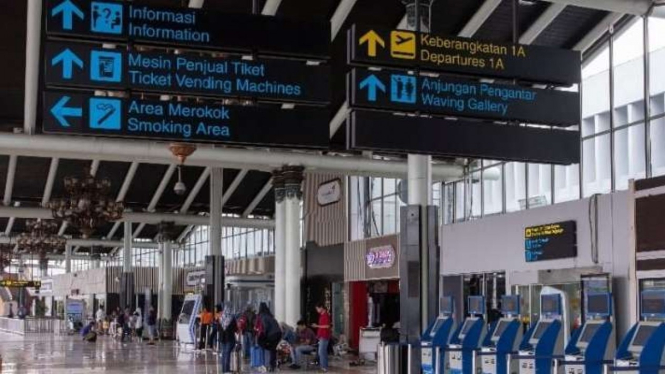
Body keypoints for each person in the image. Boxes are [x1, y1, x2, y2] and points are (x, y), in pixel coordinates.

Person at [256, 302, 281, 372]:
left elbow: (266, 326)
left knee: (264, 345)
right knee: (272, 349)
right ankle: (272, 364)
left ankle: (270, 365)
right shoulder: (269, 315)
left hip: (272, 334)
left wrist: (264, 335)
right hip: (278, 333)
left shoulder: (263, 316)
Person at [218, 303, 237, 372]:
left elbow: (218, 328)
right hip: (229, 338)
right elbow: (235, 329)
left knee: (224, 354)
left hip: (222, 338)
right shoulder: (232, 318)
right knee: (227, 354)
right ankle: (227, 370)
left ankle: (224, 370)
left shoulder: (221, 317)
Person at [312, 304, 331, 372]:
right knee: (323, 352)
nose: (317, 310)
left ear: (321, 307)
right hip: (321, 337)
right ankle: (324, 367)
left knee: (321, 352)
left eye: (317, 309)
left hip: (324, 336)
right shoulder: (321, 316)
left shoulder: (326, 315)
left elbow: (327, 326)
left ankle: (324, 368)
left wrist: (317, 326)